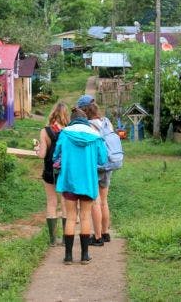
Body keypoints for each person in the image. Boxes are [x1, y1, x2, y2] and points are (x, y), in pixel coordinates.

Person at [53, 108, 107, 264]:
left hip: (69, 181)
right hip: (88, 182)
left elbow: (56, 155)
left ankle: (68, 256)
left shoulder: (65, 134)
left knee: (70, 218)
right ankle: (84, 256)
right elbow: (102, 159)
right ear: (85, 120)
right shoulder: (95, 136)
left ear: (72, 119)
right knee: (85, 217)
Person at [77, 94, 113, 246]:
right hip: (108, 164)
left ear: (84, 110)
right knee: (104, 201)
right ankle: (105, 233)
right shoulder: (106, 122)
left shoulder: (88, 126)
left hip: (95, 166)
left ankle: (97, 237)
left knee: (95, 202)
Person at [34, 101, 70, 246]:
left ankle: (53, 240)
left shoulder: (45, 131)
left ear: (52, 113)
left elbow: (42, 155)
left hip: (49, 171)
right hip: (65, 171)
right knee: (65, 203)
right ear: (65, 114)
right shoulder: (69, 131)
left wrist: (37, 150)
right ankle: (67, 239)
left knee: (51, 202)